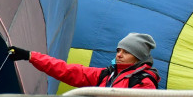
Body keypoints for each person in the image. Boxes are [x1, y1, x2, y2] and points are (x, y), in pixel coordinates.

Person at [9, 32, 160, 89]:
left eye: (126, 52)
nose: (119, 55)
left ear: (138, 57)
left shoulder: (143, 82)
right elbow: (67, 70)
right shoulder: (107, 75)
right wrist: (30, 56)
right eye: (119, 50)